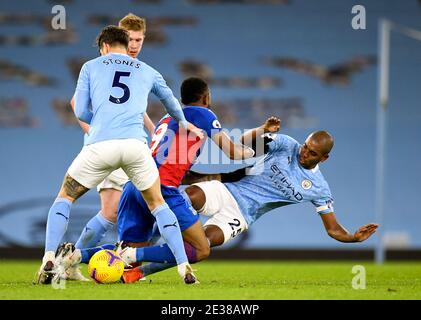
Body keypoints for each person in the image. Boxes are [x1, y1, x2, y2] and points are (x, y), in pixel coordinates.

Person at [36, 25, 204, 285]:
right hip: (136, 147)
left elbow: (80, 110)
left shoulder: (90, 66)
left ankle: (49, 257)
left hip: (100, 146)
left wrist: (101, 124)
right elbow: (170, 99)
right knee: (158, 205)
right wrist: (183, 122)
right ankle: (184, 266)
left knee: (65, 197)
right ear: (127, 46)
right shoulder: (147, 70)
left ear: (103, 47)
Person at [122, 118, 379, 282]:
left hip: (242, 215)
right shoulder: (286, 144)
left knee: (203, 245)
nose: (304, 152)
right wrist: (261, 131)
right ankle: (139, 248)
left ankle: (139, 267)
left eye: (312, 153)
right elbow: (241, 145)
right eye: (305, 146)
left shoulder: (319, 189)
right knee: (188, 196)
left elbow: (333, 228)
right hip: (229, 190)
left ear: (324, 158)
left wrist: (353, 238)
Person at [54, 76, 256, 282]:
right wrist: (253, 151)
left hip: (135, 186)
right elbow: (232, 152)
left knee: (131, 256)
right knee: (201, 248)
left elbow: (173, 165)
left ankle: (75, 255)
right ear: (206, 97)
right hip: (161, 190)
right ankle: (131, 255)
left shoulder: (167, 119)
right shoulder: (203, 114)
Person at [70, 14, 156, 251]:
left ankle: (75, 260)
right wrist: (97, 132)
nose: (134, 45)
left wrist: (152, 129)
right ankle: (73, 259)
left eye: (139, 40)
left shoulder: (136, 69)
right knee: (116, 211)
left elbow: (134, 108)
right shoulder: (102, 65)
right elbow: (75, 103)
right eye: (130, 39)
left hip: (132, 144)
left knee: (128, 209)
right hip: (110, 144)